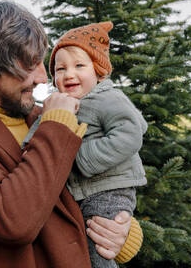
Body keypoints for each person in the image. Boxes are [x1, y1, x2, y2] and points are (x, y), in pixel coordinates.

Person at [0, 0, 143, 268]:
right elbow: (14, 220)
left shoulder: (39, 117)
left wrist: (120, 232)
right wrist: (56, 126)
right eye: (29, 66)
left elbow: (78, 190)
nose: (43, 78)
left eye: (42, 63)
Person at [23, 21, 147, 268]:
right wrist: (27, 148)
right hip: (84, 193)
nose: (69, 74)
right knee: (81, 244)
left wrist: (83, 157)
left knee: (97, 248)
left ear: (98, 71)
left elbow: (132, 131)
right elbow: (42, 127)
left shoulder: (107, 98)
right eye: (60, 69)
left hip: (110, 189)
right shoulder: (57, 102)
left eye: (79, 66)